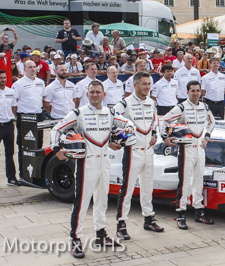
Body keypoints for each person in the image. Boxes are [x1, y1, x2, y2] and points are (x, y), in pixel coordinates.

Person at [50, 80, 132, 258]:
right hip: (86, 164)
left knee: (102, 200)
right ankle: (76, 239)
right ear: (87, 94)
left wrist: (123, 135)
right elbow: (56, 129)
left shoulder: (110, 112)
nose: (95, 95)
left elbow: (126, 123)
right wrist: (57, 149)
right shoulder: (78, 113)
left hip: (104, 162)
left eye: (98, 92)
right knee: (82, 202)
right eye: (92, 92)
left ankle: (101, 233)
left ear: (104, 94)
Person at [114, 72, 165, 239]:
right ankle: (121, 224)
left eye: (149, 84)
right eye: (144, 84)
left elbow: (155, 122)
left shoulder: (152, 103)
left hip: (148, 151)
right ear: (135, 85)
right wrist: (120, 134)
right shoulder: (125, 103)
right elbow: (112, 116)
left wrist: (155, 135)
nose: (147, 87)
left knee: (147, 186)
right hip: (132, 151)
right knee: (127, 188)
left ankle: (149, 218)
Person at [162, 80, 216, 230]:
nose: (195, 93)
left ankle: (199, 211)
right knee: (185, 181)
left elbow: (212, 123)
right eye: (192, 90)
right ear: (187, 92)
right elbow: (164, 119)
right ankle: (181, 214)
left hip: (200, 147)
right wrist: (166, 137)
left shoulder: (204, 106)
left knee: (198, 179)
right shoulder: (182, 107)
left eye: (197, 90)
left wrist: (207, 137)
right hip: (186, 148)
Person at [11, 60, 45, 173]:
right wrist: (17, 117)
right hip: (25, 116)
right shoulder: (18, 84)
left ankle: (37, 171)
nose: (32, 69)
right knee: (24, 145)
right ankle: (23, 172)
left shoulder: (41, 82)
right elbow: (14, 103)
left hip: (38, 115)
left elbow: (43, 99)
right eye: (30, 67)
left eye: (34, 67)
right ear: (24, 69)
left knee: (38, 144)